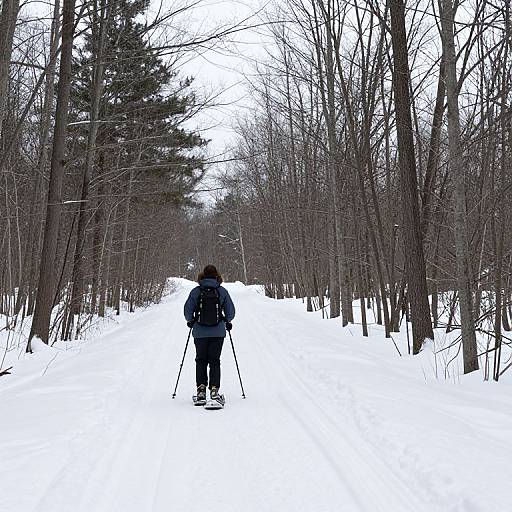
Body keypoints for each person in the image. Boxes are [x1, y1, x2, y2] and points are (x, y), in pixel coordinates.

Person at [184, 265, 235, 403]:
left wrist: (191, 321)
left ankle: (201, 391)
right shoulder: (221, 291)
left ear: (203, 275)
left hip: (200, 333)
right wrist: (227, 321)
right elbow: (231, 312)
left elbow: (187, 311)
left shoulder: (196, 291)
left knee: (200, 360)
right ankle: (214, 390)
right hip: (218, 333)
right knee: (214, 361)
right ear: (217, 275)